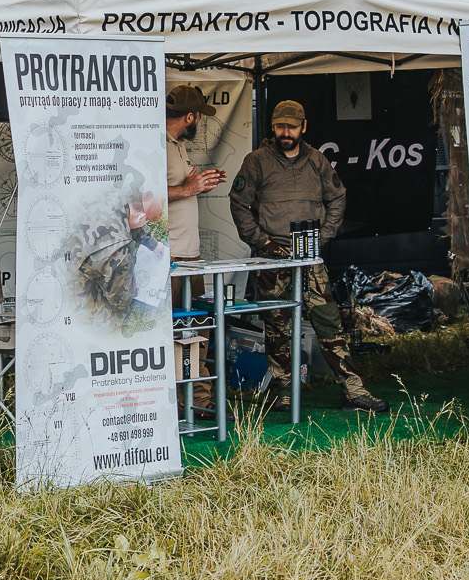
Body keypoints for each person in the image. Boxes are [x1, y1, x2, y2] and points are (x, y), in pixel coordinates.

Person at [228, 100, 384, 413]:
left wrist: (323, 237)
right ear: (272, 127)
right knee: (276, 329)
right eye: (280, 126)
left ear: (304, 126)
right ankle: (284, 391)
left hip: (310, 259)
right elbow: (239, 203)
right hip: (272, 260)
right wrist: (262, 241)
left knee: (329, 324)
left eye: (291, 126)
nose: (285, 132)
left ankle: (353, 391)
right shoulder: (256, 160)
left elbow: (338, 198)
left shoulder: (317, 161)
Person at [164, 84, 227, 312]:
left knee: (197, 325)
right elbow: (143, 197)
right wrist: (187, 189)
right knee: (172, 328)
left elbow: (181, 186)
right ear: (189, 116)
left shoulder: (179, 143)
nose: (199, 123)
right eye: (199, 117)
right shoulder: (157, 144)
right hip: (168, 256)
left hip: (191, 254)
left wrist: (199, 185)